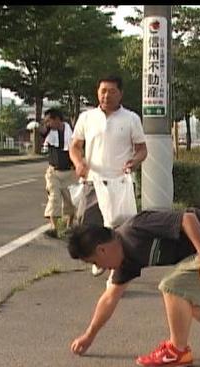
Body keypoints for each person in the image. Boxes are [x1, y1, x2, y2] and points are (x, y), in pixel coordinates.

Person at [67, 207, 200, 367]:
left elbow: (187, 219)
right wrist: (89, 335)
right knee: (187, 299)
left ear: (102, 249)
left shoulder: (135, 228)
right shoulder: (125, 262)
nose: (100, 268)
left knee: (171, 286)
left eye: (95, 261)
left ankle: (177, 351)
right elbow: (110, 297)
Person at [68, 75, 147, 276]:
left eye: (112, 91)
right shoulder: (87, 118)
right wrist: (79, 163)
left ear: (120, 93)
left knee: (119, 227)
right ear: (97, 92)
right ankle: (98, 259)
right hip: (93, 180)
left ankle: (117, 267)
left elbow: (142, 149)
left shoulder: (131, 118)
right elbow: (75, 146)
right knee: (90, 225)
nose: (106, 95)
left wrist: (135, 161)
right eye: (103, 91)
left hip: (120, 181)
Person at [41, 108, 76, 238]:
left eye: (50, 121)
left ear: (57, 119)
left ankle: (70, 225)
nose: (48, 124)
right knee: (54, 198)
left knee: (70, 201)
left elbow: (77, 147)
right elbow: (42, 132)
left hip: (69, 172)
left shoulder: (71, 130)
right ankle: (54, 228)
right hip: (53, 172)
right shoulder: (49, 132)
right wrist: (44, 125)